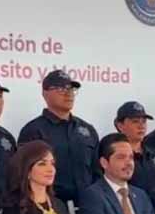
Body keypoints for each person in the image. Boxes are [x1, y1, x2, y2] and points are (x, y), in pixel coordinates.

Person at [17, 70, 98, 204]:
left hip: (89, 205)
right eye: (61, 89)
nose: (68, 93)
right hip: (51, 206)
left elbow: (97, 171)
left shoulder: (87, 130)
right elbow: (24, 174)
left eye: (71, 89)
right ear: (45, 93)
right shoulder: (33, 131)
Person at [112, 101, 155, 191]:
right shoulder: (114, 156)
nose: (141, 126)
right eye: (135, 121)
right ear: (120, 126)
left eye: (144, 121)